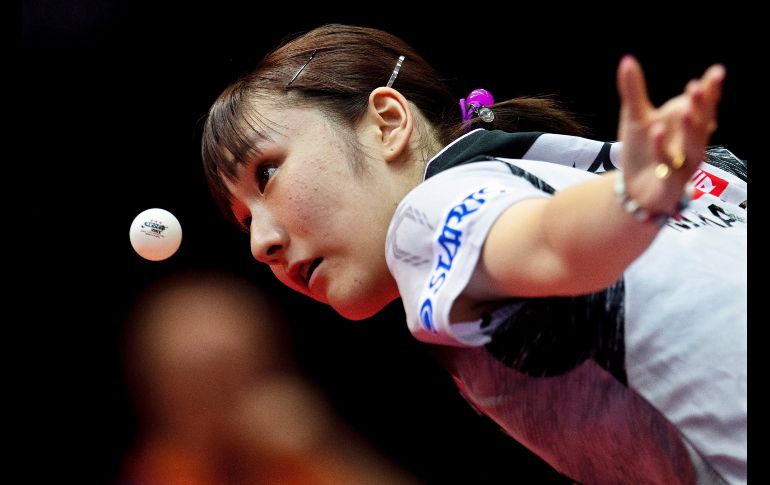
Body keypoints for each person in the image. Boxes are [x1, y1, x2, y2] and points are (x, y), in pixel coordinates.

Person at [199, 24, 746, 484]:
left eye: (267, 173)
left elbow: (553, 243)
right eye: (244, 221)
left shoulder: (427, 215)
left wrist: (629, 198)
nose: (260, 244)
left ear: (388, 124)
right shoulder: (606, 168)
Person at [119, 270, 420, 485]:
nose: (216, 398)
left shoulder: (305, 460)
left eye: (228, 373)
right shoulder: (151, 476)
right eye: (195, 379)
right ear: (154, 390)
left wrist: (325, 447)